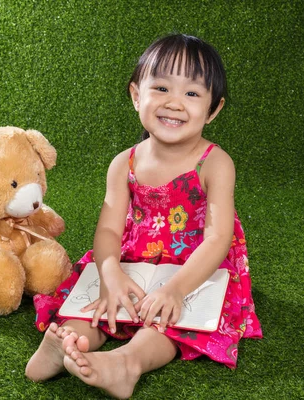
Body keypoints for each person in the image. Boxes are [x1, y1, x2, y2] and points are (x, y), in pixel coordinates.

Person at [25, 33, 262, 399]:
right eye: (162, 87)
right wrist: (111, 275)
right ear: (137, 96)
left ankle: (127, 362)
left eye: (192, 93)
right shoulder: (125, 162)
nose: (175, 103)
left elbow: (218, 238)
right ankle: (67, 343)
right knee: (101, 305)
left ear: (213, 109)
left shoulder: (215, 162)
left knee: (170, 322)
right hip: (134, 261)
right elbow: (107, 229)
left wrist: (176, 289)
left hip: (194, 266)